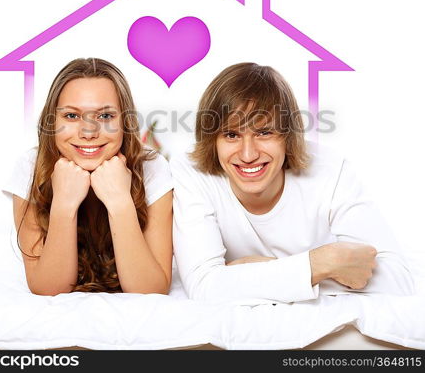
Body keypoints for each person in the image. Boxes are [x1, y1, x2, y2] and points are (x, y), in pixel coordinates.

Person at [170, 62, 415, 303]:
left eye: (264, 132)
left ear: (288, 136)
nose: (248, 155)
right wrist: (321, 264)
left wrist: (247, 274)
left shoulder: (330, 170)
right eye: (231, 135)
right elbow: (204, 286)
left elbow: (397, 280)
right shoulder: (192, 172)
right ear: (212, 140)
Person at [2, 58, 173, 296]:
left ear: (125, 121)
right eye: (72, 116)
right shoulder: (31, 168)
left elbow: (150, 290)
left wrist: (119, 202)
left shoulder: (152, 167)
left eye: (105, 117)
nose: (88, 133)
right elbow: (48, 288)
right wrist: (64, 203)